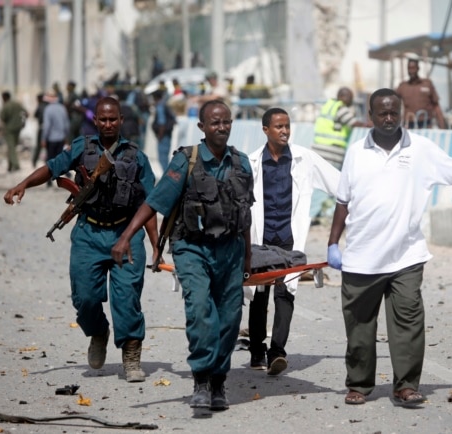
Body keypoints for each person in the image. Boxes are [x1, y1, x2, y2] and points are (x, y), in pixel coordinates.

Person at [326, 88, 452, 407]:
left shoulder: (422, 150)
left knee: (408, 324)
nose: (388, 119)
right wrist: (332, 243)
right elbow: (343, 202)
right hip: (361, 259)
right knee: (359, 329)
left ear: (403, 114)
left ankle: (406, 385)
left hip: (406, 257)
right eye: (382, 113)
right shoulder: (356, 152)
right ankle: (359, 384)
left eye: (394, 113)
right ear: (370, 116)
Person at [111, 100, 254, 411]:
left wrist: (248, 256)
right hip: (193, 248)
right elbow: (154, 202)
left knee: (230, 320)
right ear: (202, 127)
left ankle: (219, 382)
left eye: (226, 122)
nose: (222, 127)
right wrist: (125, 237)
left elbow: (245, 214)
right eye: (215, 123)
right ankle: (202, 379)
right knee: (200, 309)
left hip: (231, 250)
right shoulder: (186, 162)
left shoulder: (242, 163)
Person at [3, 96, 158, 383]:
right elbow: (52, 169)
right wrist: (22, 184)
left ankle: (131, 353)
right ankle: (98, 332)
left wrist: (156, 245)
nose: (108, 124)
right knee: (84, 298)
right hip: (89, 232)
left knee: (126, 299)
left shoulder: (136, 156)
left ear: (121, 120)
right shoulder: (81, 148)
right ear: (95, 121)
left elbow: (149, 204)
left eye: (114, 119)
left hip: (126, 233)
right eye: (103, 119)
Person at [246, 107, 340, 375]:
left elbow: (339, 184)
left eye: (287, 126)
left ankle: (277, 351)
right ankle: (256, 350)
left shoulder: (304, 159)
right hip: (260, 240)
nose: (285, 131)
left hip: (289, 240)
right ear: (266, 130)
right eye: (279, 127)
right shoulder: (252, 162)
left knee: (285, 294)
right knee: (258, 294)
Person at [312, 87, 368, 170]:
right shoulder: (341, 108)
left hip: (317, 150)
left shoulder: (327, 106)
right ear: (342, 97)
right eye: (350, 98)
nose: (351, 101)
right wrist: (370, 124)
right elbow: (354, 123)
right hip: (332, 153)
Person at [396, 58, 446, 129]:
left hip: (426, 124)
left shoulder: (427, 84)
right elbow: (393, 104)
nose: (411, 71)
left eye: (413, 68)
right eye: (409, 68)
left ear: (418, 68)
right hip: (409, 125)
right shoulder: (403, 86)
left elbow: (436, 106)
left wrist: (442, 126)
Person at [41, 89, 70, 186]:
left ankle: (49, 180)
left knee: (50, 159)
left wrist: (44, 138)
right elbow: (66, 124)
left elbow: (47, 126)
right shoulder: (62, 108)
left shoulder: (48, 109)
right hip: (61, 137)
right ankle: (61, 176)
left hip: (51, 138)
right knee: (60, 158)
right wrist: (66, 135)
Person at [0, 91, 28, 172]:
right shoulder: (17, 104)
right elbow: (26, 113)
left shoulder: (6, 106)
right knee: (12, 148)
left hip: (9, 130)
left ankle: (16, 165)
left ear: (5, 97)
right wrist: (23, 122)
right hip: (18, 128)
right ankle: (10, 166)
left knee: (11, 148)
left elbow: (2, 118)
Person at [151, 89, 176, 173]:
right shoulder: (165, 104)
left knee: (162, 158)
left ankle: (167, 177)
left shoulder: (160, 106)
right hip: (167, 134)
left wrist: (160, 136)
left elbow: (162, 123)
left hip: (163, 135)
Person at [32, 93, 47, 168]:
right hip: (48, 129)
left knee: (39, 145)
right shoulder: (47, 105)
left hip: (42, 128)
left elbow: (35, 115)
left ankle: (34, 161)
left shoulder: (40, 106)